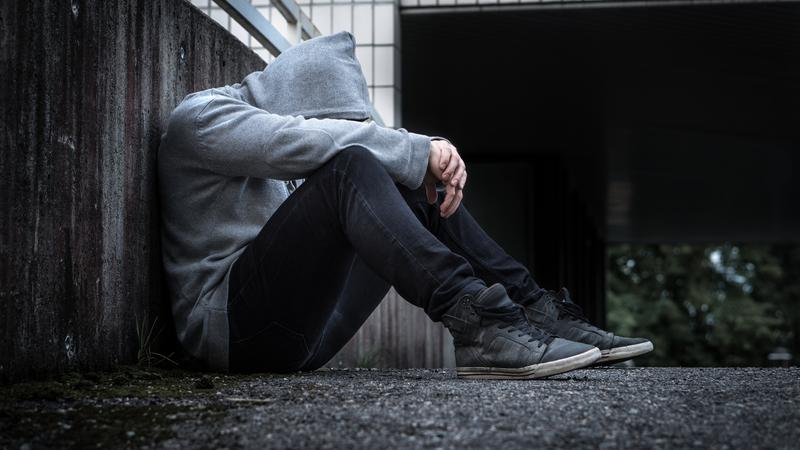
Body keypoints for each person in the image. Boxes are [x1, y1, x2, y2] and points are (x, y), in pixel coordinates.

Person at [158, 31, 652, 380]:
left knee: (412, 186)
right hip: (231, 333)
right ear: (295, 101)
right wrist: (418, 149)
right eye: (335, 122)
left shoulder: (277, 143)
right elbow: (309, 141)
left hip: (308, 338)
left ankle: (533, 309)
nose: (343, 130)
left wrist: (422, 161)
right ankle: (476, 323)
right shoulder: (202, 119)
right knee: (352, 166)